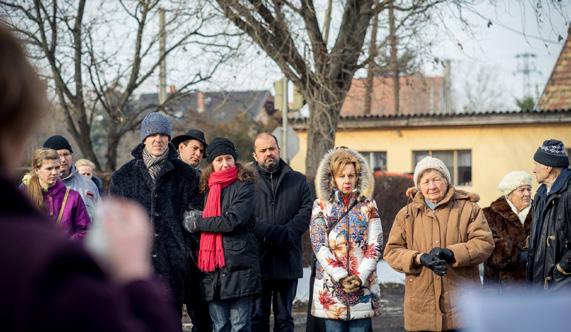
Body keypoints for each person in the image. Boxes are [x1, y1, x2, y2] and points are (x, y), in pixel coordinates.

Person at [0, 22, 180, 332]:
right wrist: (134, 274)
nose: (56, 170)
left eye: (163, 136)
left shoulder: (78, 194)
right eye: (50, 165)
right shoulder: (43, 263)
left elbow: (85, 223)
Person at [384, 156, 494, 331]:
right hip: (421, 307)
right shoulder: (406, 215)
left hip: (462, 308)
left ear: (446, 181)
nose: (432, 186)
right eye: (426, 181)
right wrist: (419, 258)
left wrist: (452, 253)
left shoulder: (468, 209)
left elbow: (484, 243)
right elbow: (392, 251)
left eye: (436, 179)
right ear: (419, 186)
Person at [109, 112, 202, 319]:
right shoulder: (122, 177)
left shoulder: (186, 175)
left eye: (162, 134)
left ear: (169, 139)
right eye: (152, 135)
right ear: (144, 139)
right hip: (135, 267)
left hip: (173, 266)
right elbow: (113, 224)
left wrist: (185, 253)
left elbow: (194, 217)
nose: (157, 139)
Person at [183, 137, 261, 332]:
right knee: (219, 326)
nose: (225, 164)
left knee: (240, 326)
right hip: (211, 270)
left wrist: (198, 222)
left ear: (235, 160)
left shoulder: (245, 185)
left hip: (239, 267)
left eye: (228, 158)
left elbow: (231, 221)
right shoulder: (205, 187)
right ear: (212, 164)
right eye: (219, 160)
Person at [308, 147, 382, 331]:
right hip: (331, 287)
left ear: (357, 176)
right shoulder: (321, 206)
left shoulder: (369, 205)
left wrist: (360, 277)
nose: (347, 180)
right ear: (333, 178)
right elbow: (319, 245)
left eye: (351, 175)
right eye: (341, 176)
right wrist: (340, 276)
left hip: (362, 286)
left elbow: (375, 244)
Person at [250, 133, 313, 332]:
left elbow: (306, 211)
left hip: (287, 258)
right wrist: (267, 232)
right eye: (263, 150)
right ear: (255, 155)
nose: (269, 153)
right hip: (258, 260)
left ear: (278, 150)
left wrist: (286, 234)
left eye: (272, 148)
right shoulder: (246, 182)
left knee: (285, 319)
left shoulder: (297, 180)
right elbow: (244, 215)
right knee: (257, 318)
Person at [172, 129, 212, 332]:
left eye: (201, 150)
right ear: (181, 147)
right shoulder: (167, 175)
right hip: (172, 256)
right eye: (194, 148)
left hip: (198, 256)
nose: (198, 153)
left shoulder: (203, 179)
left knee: (202, 317)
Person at [528, 139, 571, 289]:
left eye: (536, 165)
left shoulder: (569, 193)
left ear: (548, 167)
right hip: (539, 284)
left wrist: (561, 271)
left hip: (561, 287)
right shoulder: (540, 195)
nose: (533, 170)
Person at [23, 148, 90, 240]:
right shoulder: (25, 195)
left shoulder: (73, 197)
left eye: (57, 168)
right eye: (49, 168)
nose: (54, 172)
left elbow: (84, 230)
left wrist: (65, 245)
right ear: (37, 170)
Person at [483, 171, 533, 292]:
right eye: (521, 190)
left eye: (529, 189)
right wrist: (520, 254)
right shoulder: (490, 214)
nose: (527, 193)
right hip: (500, 288)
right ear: (509, 193)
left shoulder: (539, 212)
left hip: (533, 286)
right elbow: (490, 250)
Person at [43, 135, 100, 220]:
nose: (63, 159)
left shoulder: (88, 184)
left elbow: (100, 218)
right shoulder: (32, 185)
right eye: (58, 155)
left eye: (66, 154)